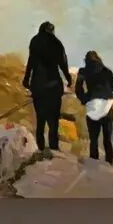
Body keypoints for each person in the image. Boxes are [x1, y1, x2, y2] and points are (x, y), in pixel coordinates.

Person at [23, 20, 73, 152]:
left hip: (38, 85)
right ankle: (53, 148)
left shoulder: (35, 41)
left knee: (40, 120)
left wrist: (26, 79)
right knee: (53, 121)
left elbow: (31, 61)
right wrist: (68, 78)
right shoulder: (57, 43)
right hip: (54, 85)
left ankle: (40, 149)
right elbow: (63, 63)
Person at [75, 50, 113, 164]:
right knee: (107, 140)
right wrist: (105, 91)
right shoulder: (107, 71)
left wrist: (85, 99)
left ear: (86, 60)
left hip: (93, 105)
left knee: (93, 140)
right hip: (107, 106)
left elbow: (78, 89)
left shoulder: (83, 71)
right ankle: (109, 165)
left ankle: (94, 164)